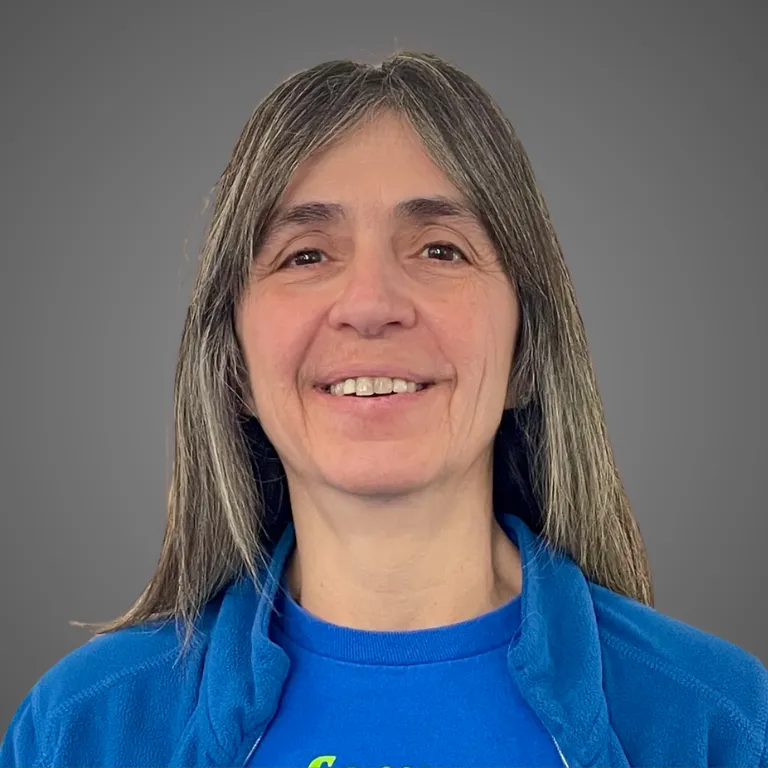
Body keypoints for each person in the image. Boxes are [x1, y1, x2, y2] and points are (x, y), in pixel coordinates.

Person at [1, 51, 766, 768]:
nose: (370, 304)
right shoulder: (83, 730)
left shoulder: (715, 722)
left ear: (527, 351)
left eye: (440, 249)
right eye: (306, 255)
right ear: (233, 365)